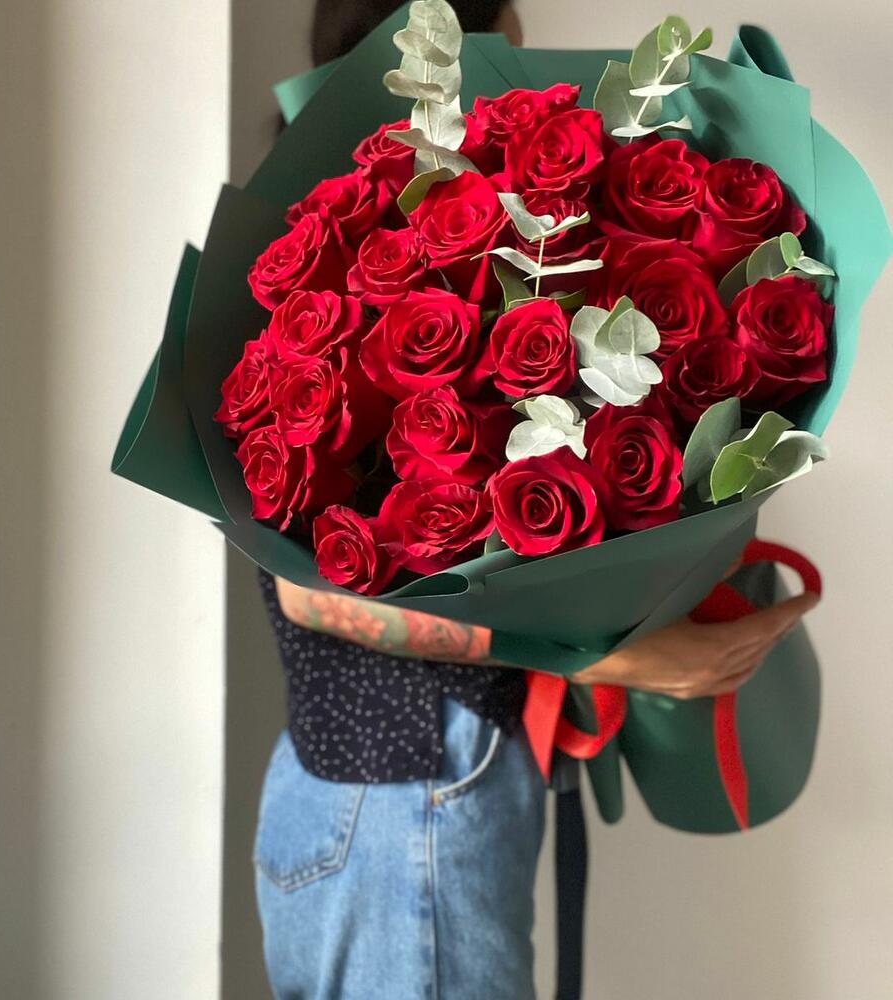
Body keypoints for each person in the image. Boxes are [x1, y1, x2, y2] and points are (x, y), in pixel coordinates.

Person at [253, 3, 821, 997]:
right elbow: (310, 594)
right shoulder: (347, 227)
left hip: (374, 794)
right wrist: (619, 654)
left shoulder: (347, 214)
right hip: (409, 799)